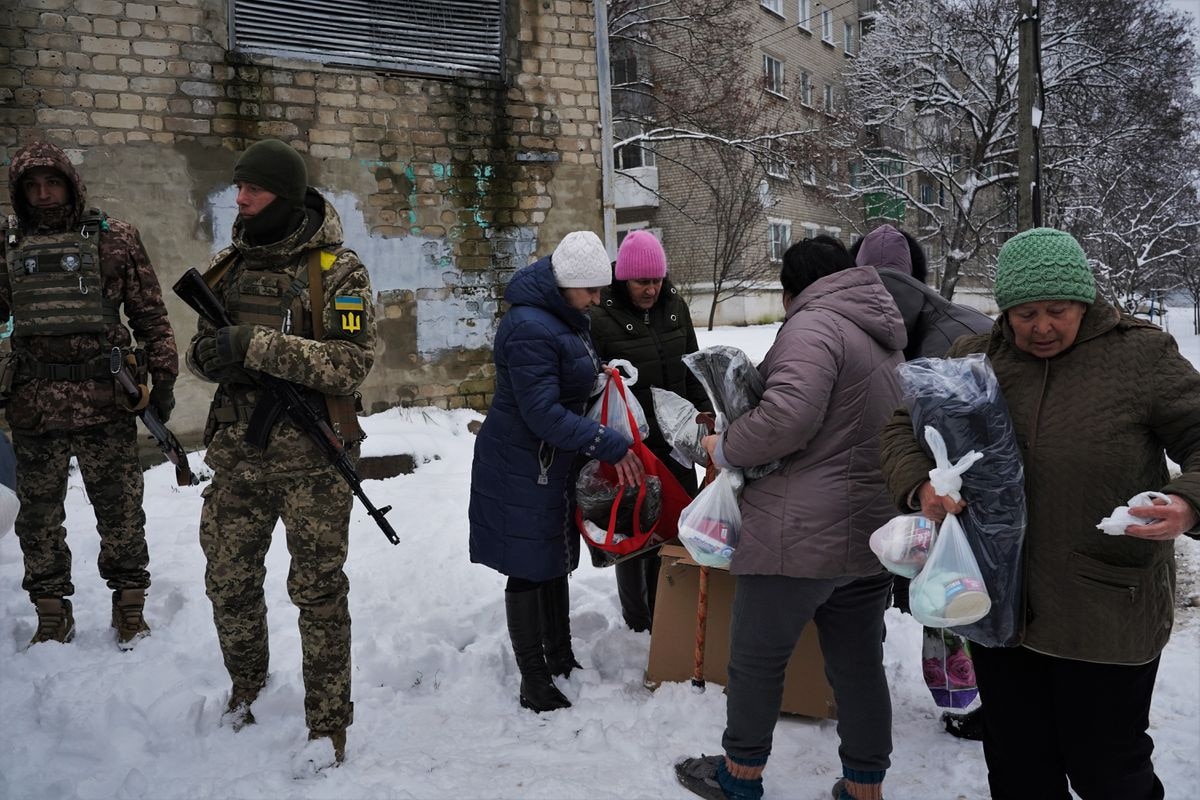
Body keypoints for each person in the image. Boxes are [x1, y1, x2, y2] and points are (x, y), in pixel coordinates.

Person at [879, 227, 1200, 799]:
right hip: (999, 607)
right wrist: (921, 486)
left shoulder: (1141, 356)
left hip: (1103, 610)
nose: (1041, 327)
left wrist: (1187, 502)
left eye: (1058, 310)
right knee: (1019, 768)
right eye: (1025, 314)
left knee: (1109, 770)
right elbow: (903, 427)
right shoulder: (974, 357)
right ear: (1005, 312)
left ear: (1084, 301)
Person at [676, 236, 906, 800]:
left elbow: (787, 418)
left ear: (791, 290)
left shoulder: (813, 325)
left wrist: (724, 446)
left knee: (757, 660)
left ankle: (740, 777)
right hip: (867, 533)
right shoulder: (881, 335)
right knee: (858, 666)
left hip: (796, 535)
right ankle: (864, 787)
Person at [186, 139, 376, 771]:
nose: (240, 199)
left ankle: (328, 724)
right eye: (239, 187)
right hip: (237, 459)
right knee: (228, 582)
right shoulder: (226, 268)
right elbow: (199, 352)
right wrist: (212, 357)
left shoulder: (336, 270)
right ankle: (247, 685)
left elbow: (350, 364)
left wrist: (255, 346)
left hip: (313, 464)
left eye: (254, 189)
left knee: (318, 593)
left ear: (285, 197)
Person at [0, 141, 178, 650]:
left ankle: (130, 605)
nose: (43, 194)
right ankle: (51, 611)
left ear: (70, 183)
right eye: (32, 186)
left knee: (120, 510)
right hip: (34, 402)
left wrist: (163, 381)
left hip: (105, 398)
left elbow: (150, 315)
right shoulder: (7, 243)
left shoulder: (114, 237)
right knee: (38, 517)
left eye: (52, 182)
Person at [469, 230, 645, 713]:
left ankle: (560, 655)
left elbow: (562, 375)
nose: (598, 299)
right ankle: (534, 680)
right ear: (565, 284)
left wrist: (598, 373)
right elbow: (541, 412)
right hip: (522, 463)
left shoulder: (563, 316)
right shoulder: (530, 326)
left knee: (552, 559)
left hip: (549, 460)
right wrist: (607, 442)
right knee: (528, 566)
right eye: (591, 290)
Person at [851, 222, 994, 741]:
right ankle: (966, 703)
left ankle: (972, 705)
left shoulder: (942, 338)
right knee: (948, 588)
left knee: (953, 586)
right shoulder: (924, 320)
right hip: (947, 480)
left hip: (965, 485)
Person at [588, 230, 713, 632]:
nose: (651, 289)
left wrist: (705, 417)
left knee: (678, 527)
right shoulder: (599, 316)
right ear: (624, 278)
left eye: (657, 280)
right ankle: (639, 622)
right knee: (636, 533)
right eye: (643, 282)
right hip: (632, 447)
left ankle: (671, 614)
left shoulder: (674, 306)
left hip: (677, 443)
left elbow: (693, 370)